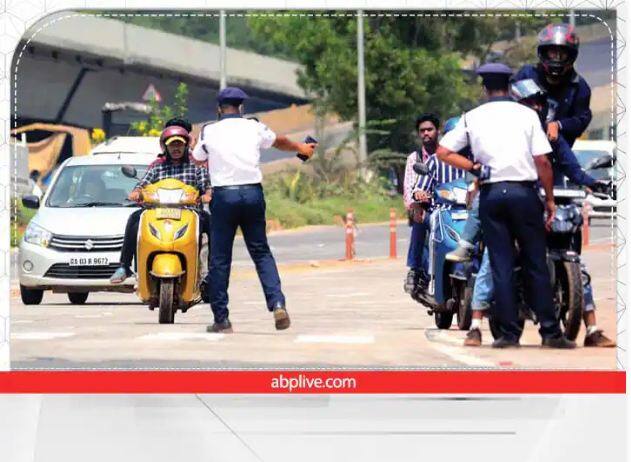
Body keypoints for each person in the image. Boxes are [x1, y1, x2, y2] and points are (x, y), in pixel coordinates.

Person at [462, 78, 615, 348]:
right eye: (529, 104)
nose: (536, 108)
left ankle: (591, 327)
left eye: (539, 103)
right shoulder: (508, 135)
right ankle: (475, 324)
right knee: (493, 261)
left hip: (547, 203)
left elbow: (572, 168)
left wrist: (592, 182)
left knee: (577, 262)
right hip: (522, 201)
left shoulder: (551, 137)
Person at [436, 62, 575, 349]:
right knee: (535, 261)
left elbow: (443, 151)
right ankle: (550, 333)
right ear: (510, 87)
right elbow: (543, 161)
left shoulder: (472, 117)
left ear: (484, 88)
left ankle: (508, 335)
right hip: (523, 194)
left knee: (501, 264)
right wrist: (549, 200)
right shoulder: (526, 115)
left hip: (491, 196)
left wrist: (474, 166)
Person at [192, 87, 316, 333]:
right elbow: (279, 141)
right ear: (241, 107)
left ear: (219, 108)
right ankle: (277, 303)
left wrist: (199, 146)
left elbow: (197, 158)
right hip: (252, 193)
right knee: (260, 252)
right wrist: (301, 149)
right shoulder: (254, 126)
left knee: (219, 258)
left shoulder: (209, 130)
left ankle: (221, 319)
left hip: (224, 196)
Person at [110, 125, 212, 283]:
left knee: (211, 224)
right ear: (165, 147)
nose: (176, 148)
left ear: (185, 146)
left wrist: (207, 195)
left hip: (189, 213)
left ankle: (211, 272)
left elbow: (207, 188)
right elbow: (142, 184)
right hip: (157, 213)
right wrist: (136, 192)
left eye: (179, 144)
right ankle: (124, 266)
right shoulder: (157, 168)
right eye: (172, 145)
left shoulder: (196, 168)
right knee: (134, 219)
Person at [512, 23, 591, 147]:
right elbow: (509, 104)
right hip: (522, 147)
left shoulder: (578, 86)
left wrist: (558, 125)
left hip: (556, 152)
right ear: (544, 52)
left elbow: (582, 119)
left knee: (573, 167)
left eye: (562, 53)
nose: (557, 58)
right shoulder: (527, 74)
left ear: (571, 55)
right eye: (553, 52)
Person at [403, 113, 439, 293]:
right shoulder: (414, 158)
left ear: (438, 131)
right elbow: (409, 189)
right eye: (422, 130)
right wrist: (416, 203)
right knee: (420, 223)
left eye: (430, 129)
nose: (426, 133)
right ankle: (415, 269)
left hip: (448, 208)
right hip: (424, 210)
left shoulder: (448, 156)